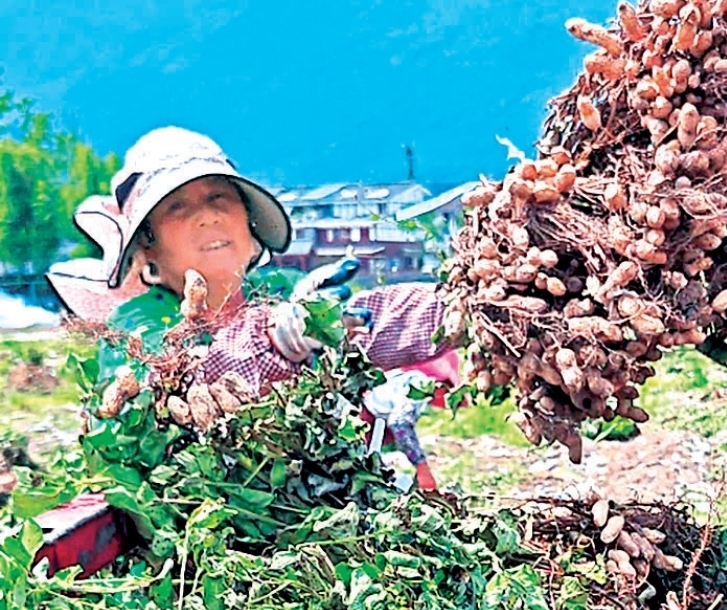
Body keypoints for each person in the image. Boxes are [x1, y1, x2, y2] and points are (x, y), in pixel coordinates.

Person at [46, 126, 455, 489]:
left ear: (247, 218)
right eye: (177, 206)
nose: (208, 216)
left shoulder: (287, 290)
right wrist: (272, 343)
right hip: (218, 511)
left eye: (219, 196)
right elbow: (158, 404)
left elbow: (367, 320)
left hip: (324, 494)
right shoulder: (139, 324)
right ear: (148, 244)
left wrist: (469, 302)